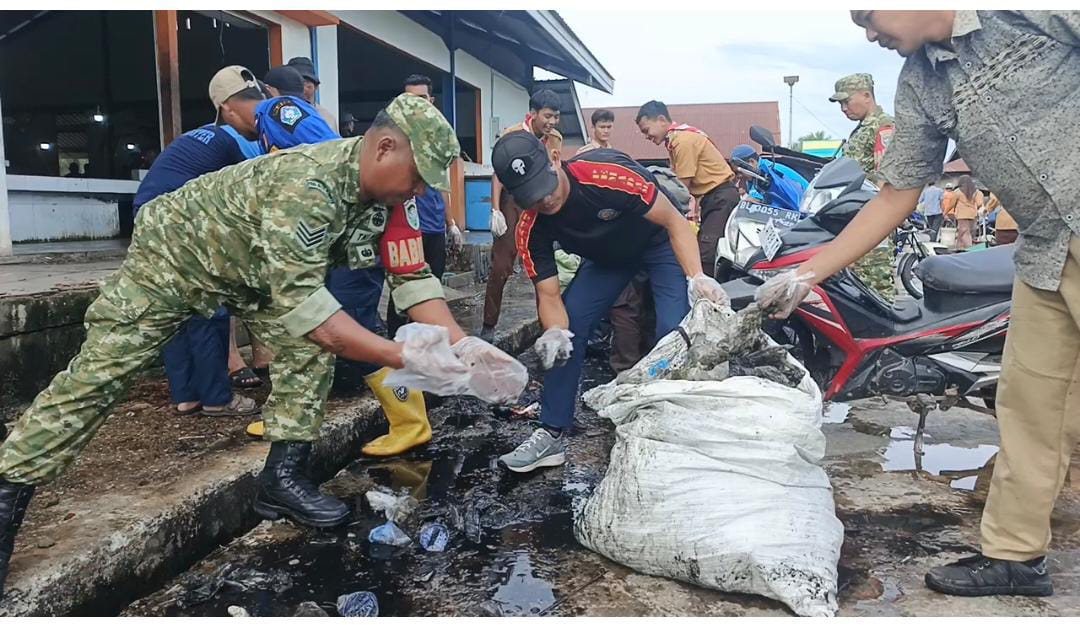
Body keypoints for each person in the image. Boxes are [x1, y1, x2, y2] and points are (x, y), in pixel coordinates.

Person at [0, 94, 524, 597]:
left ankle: (282, 479)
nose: (415, 192)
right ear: (384, 147)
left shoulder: (380, 198)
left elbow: (410, 278)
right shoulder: (309, 187)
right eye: (415, 179)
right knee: (99, 377)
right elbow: (319, 319)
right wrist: (409, 358)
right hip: (175, 258)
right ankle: (8, 491)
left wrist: (465, 348)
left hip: (250, 271)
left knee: (308, 350)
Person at [756, 9, 1080, 599]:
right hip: (1040, 253)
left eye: (870, 16)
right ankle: (1015, 556)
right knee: (1032, 406)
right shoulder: (921, 82)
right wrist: (807, 273)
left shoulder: (1024, 14)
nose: (869, 34)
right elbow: (897, 190)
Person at [490, 132, 730, 473]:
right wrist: (556, 331)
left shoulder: (607, 176)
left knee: (673, 331)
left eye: (546, 186)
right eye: (532, 196)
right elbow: (548, 295)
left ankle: (679, 427)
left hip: (657, 243)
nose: (544, 200)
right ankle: (551, 432)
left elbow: (675, 222)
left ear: (556, 159)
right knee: (567, 327)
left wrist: (696, 276)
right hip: (607, 260)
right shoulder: (531, 227)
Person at [245, 78, 434, 459]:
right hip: (339, 236)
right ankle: (288, 413)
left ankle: (411, 421)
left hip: (354, 236)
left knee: (357, 323)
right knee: (303, 324)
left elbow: (322, 150)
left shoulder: (279, 111)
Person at [131, 65, 269, 419]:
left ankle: (187, 396)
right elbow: (261, 188)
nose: (260, 109)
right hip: (177, 221)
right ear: (227, 107)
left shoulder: (200, 136)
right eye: (250, 102)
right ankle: (217, 398)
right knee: (210, 307)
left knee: (176, 308)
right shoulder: (235, 140)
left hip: (149, 217)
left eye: (262, 99)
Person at [480, 89, 563, 342]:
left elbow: (556, 169)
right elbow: (499, 174)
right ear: (533, 113)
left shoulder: (554, 139)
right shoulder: (513, 135)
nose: (551, 122)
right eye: (547, 116)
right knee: (502, 265)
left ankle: (546, 324)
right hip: (513, 200)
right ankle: (488, 325)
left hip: (541, 201)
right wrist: (496, 210)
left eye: (556, 117)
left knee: (542, 264)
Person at [386, 74, 464, 338]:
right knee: (403, 289)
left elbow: (442, 185)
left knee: (432, 288)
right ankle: (398, 342)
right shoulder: (395, 136)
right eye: (409, 100)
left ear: (431, 100)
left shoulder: (438, 137)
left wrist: (451, 223)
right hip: (405, 228)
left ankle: (426, 341)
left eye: (421, 99)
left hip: (432, 225)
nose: (416, 105)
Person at [635, 100, 739, 276]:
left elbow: (680, 189)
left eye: (646, 130)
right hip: (714, 198)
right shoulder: (679, 138)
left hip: (720, 198)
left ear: (661, 120)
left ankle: (706, 294)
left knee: (706, 253)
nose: (647, 136)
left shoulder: (683, 141)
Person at [829, 73, 895, 182]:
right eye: (840, 103)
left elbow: (887, 177)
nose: (843, 108)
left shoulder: (883, 126)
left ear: (866, 96)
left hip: (872, 197)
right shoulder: (864, 127)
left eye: (847, 101)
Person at [730, 144, 808, 212]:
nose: (739, 176)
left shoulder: (767, 172)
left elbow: (753, 201)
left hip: (804, 206)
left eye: (740, 172)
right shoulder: (752, 178)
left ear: (752, 162)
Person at [286, 56, 339, 131]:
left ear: (316, 86)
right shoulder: (277, 116)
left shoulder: (326, 118)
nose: (301, 87)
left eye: (306, 82)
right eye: (296, 82)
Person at [944, 175, 983, 250]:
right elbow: (979, 203)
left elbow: (951, 204)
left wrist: (945, 212)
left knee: (964, 232)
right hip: (973, 214)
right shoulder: (976, 192)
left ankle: (969, 247)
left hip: (962, 215)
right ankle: (959, 247)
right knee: (968, 232)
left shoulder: (958, 192)